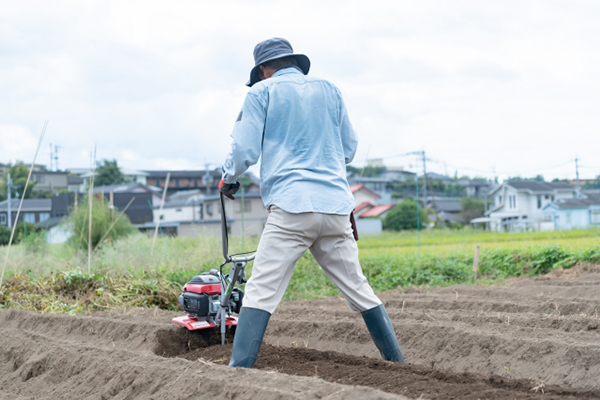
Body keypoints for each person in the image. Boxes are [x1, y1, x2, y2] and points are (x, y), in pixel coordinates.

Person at [219, 37, 404, 368]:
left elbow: (244, 149)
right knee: (359, 289)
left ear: (263, 70)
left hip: (292, 207)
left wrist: (228, 177)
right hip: (336, 208)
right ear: (294, 63)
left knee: (261, 289)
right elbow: (348, 148)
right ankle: (399, 364)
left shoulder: (262, 92)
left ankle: (237, 372)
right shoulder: (329, 90)